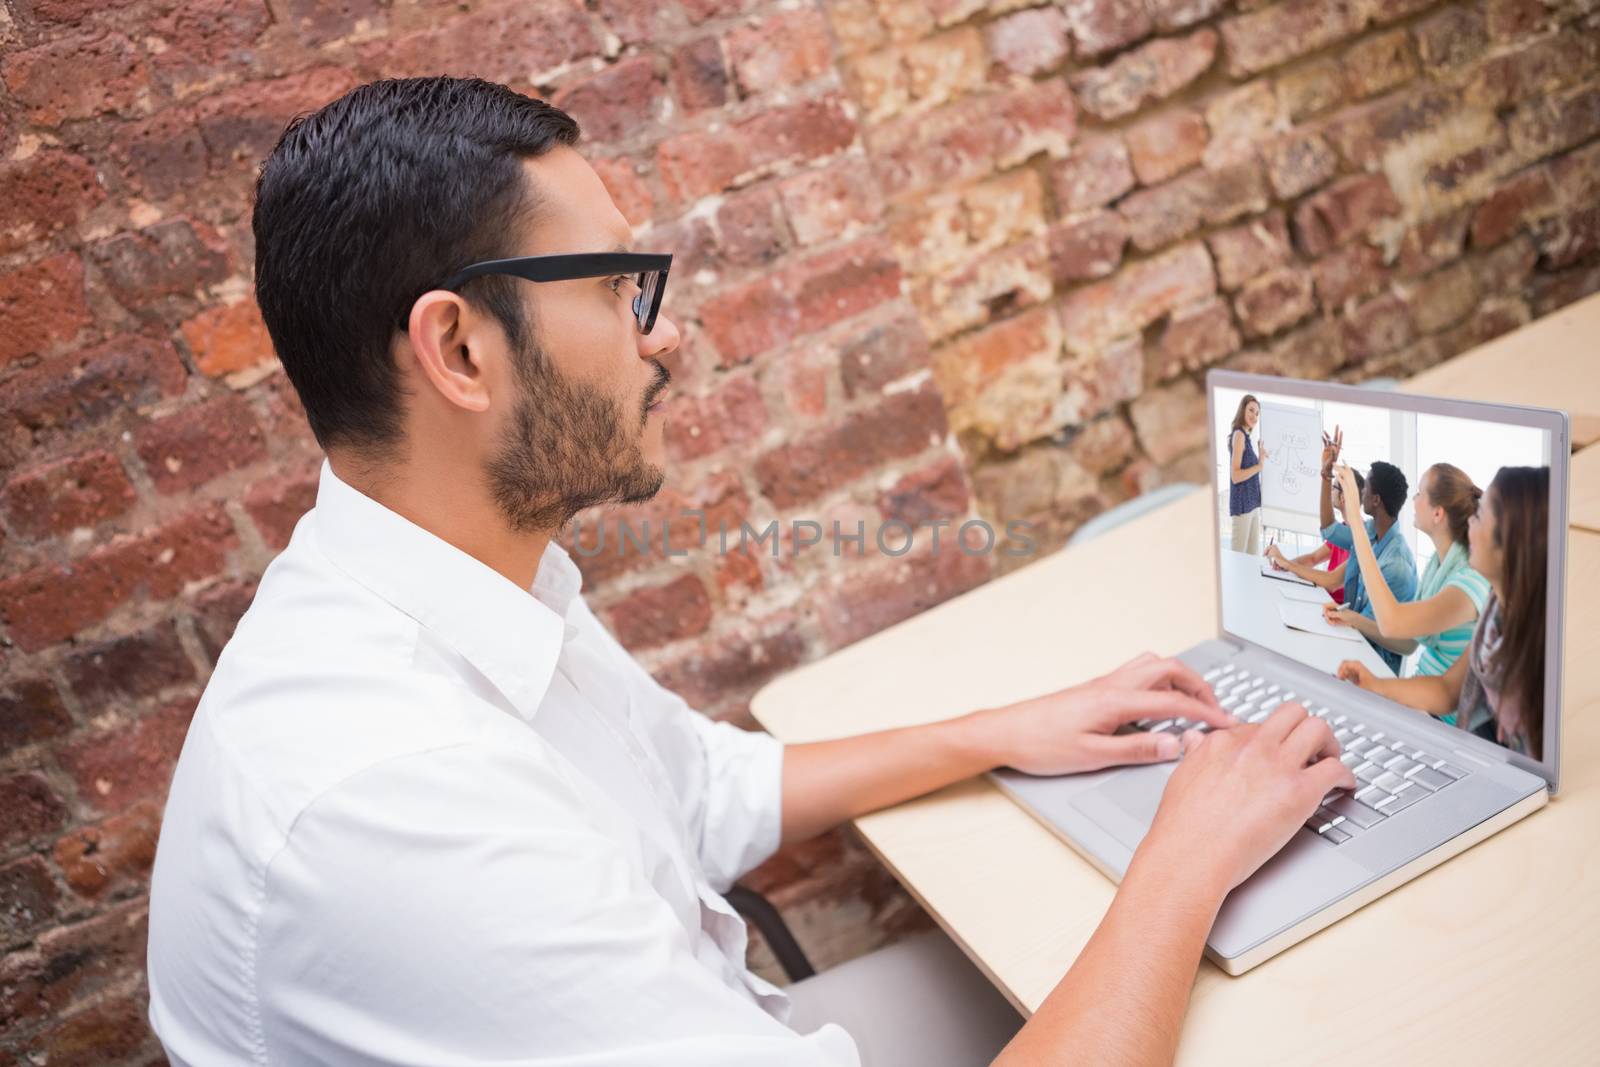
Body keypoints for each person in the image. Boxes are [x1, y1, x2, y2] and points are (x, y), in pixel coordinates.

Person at [144, 76, 1355, 1067]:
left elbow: (701, 788)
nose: (665, 334)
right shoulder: (398, 803)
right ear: (459, 348)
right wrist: (1188, 854)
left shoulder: (452, 583)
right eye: (621, 289)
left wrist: (1009, 727)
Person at [1337, 467, 1548, 761]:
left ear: (1508, 538)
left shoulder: (1472, 584)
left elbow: (1393, 621)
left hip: (1448, 737)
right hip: (1435, 718)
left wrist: (1356, 524)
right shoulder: (1492, 611)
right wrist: (1374, 683)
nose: (1471, 523)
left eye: (1481, 516)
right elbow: (1447, 689)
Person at [1323, 463, 1490, 686]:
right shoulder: (1437, 565)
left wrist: (1354, 516)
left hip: (1439, 717)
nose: (1413, 499)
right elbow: (1409, 643)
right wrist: (1350, 618)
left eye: (1420, 493)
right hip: (1422, 694)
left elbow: (1392, 622)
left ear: (1437, 513)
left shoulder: (1468, 580)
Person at [1317, 456, 1418, 673]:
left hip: (1375, 665)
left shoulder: (1396, 564)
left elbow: (1374, 628)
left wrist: (1347, 616)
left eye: (1366, 488)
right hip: (1355, 643)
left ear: (1376, 500)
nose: (1361, 492)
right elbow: (1329, 530)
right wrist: (1326, 477)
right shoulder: (1371, 531)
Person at [1264, 467, 1364, 603]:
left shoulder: (1362, 537)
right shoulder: (1343, 530)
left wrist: (1287, 564)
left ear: (1343, 498)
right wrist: (1283, 564)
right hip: (1324, 598)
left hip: (1338, 609)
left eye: (1333, 487)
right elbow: (1313, 558)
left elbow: (1332, 582)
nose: (1329, 491)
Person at [1227, 394, 1269, 553]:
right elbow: (1235, 476)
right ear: (1242, 410)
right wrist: (1259, 466)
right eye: (1251, 410)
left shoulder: (1247, 438)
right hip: (1243, 506)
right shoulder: (1238, 435)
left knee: (1252, 559)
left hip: (1252, 506)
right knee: (1238, 560)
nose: (1254, 416)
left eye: (1257, 413)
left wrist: (1260, 458)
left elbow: (1249, 469)